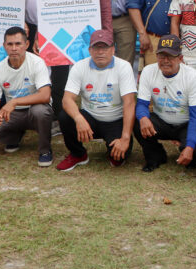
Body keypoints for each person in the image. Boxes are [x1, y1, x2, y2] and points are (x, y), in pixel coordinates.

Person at [47, 0, 113, 122]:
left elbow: (105, 6)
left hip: (89, 35)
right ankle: (60, 118)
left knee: (90, 76)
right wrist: (40, 36)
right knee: (59, 79)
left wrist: (107, 33)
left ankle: (92, 114)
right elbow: (48, 8)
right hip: (61, 34)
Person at [56, 30, 137, 171]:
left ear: (113, 49)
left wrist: (125, 138)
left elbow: (129, 102)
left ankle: (114, 146)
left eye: (105, 47)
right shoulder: (79, 66)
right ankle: (78, 154)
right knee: (65, 116)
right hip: (90, 118)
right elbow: (67, 99)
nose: (100, 52)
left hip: (115, 120)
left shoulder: (124, 66)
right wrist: (78, 118)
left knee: (119, 158)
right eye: (96, 47)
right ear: (90, 50)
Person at [0, 26, 54, 167]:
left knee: (40, 111)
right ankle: (14, 136)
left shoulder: (37, 63)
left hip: (34, 110)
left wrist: (14, 102)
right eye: (10, 44)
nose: (14, 48)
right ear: (4, 46)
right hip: (13, 115)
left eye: (18, 44)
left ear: (26, 45)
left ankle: (45, 150)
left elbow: (45, 95)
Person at [133, 34, 196, 171]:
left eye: (170, 56)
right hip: (162, 121)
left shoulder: (193, 76)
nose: (165, 61)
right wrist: (143, 117)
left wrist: (190, 146)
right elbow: (141, 104)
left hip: (186, 123)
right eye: (161, 56)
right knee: (138, 121)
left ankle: (187, 151)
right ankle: (155, 157)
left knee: (195, 154)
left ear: (180, 58)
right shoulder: (148, 71)